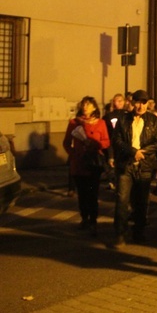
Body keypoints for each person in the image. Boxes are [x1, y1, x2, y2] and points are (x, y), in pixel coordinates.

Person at [111, 90, 157, 247]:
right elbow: (117, 140)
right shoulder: (123, 119)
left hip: (144, 166)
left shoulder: (153, 121)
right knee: (122, 200)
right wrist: (133, 152)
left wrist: (143, 152)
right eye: (138, 102)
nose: (141, 106)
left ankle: (138, 232)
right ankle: (120, 234)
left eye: (144, 102)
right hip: (126, 165)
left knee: (141, 202)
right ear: (133, 103)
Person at [63, 96, 110, 236]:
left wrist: (96, 145)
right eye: (84, 104)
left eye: (88, 105)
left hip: (93, 164)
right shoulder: (74, 123)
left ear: (94, 108)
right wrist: (73, 154)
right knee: (82, 194)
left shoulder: (100, 123)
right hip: (79, 163)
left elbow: (106, 141)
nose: (85, 107)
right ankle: (84, 218)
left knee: (92, 193)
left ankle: (93, 221)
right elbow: (66, 142)